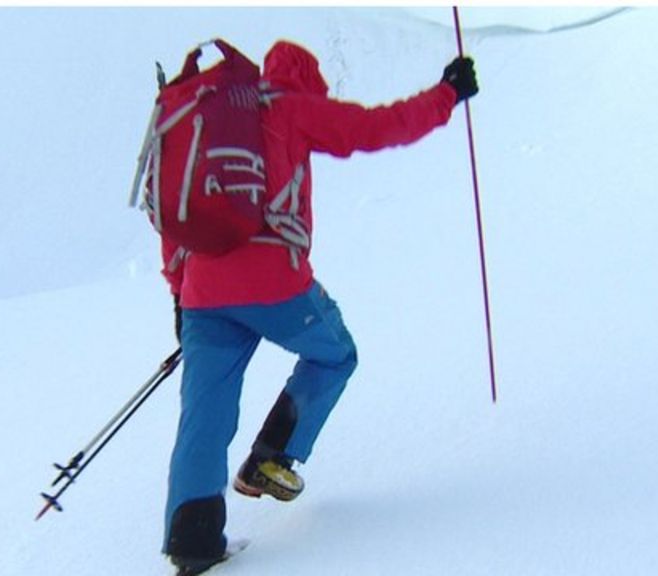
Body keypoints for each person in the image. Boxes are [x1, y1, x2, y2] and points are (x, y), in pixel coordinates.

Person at [160, 39, 479, 573]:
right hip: (273, 284)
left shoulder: (204, 123)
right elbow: (380, 127)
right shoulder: (292, 106)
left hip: (201, 292)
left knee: (204, 414)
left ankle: (193, 544)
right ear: (309, 79)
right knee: (335, 355)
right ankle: (271, 458)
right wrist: (448, 93)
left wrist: (178, 292)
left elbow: (173, 211)